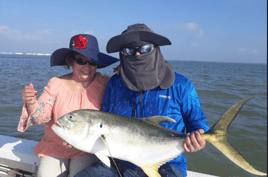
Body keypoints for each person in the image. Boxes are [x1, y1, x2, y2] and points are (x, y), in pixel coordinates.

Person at [75, 24, 210, 177]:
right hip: (118, 162)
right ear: (122, 55)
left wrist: (199, 137)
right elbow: (105, 122)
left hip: (167, 164)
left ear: (156, 49)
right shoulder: (115, 83)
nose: (138, 54)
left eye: (145, 48)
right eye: (129, 51)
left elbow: (197, 121)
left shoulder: (181, 85)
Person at [18, 34, 119, 177]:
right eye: (81, 61)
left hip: (88, 147)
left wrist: (124, 71)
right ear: (70, 61)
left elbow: (125, 92)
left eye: (92, 62)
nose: (87, 67)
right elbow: (42, 116)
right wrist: (31, 103)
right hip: (55, 147)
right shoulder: (55, 84)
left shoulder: (105, 83)